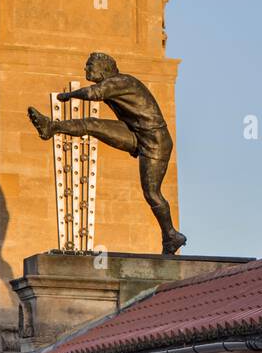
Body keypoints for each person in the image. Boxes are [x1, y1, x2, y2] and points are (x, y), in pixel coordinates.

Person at [27, 52, 186, 255]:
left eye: (89, 65)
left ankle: (171, 235)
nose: (86, 70)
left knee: (152, 193)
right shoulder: (115, 84)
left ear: (103, 68)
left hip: (155, 141)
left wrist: (68, 96)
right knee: (92, 124)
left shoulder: (120, 81)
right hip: (135, 133)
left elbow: (93, 94)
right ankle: (51, 127)